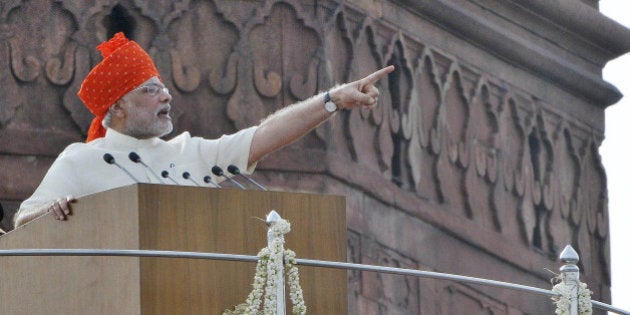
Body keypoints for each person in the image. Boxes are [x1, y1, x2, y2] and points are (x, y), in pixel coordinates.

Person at [13, 32, 394, 228]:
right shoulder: (82, 159)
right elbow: (24, 219)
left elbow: (263, 137)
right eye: (150, 90)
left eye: (163, 88)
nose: (166, 97)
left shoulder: (189, 153)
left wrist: (332, 100)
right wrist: (50, 209)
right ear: (117, 107)